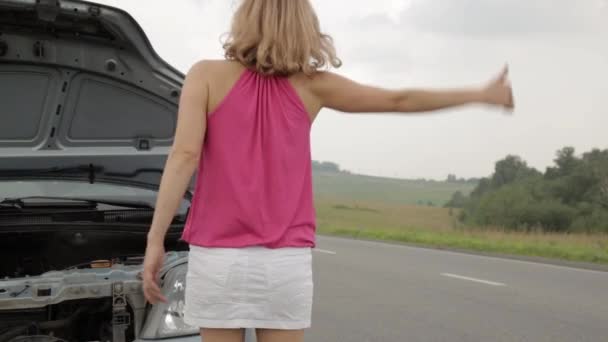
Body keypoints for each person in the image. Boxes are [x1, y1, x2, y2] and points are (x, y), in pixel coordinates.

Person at [142, 0, 514, 341]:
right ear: (304, 27)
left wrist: (155, 240)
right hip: (284, 263)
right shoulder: (313, 86)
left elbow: (184, 155)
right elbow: (398, 99)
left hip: (219, 258)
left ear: (245, 20)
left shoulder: (205, 75)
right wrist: (479, 94)